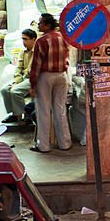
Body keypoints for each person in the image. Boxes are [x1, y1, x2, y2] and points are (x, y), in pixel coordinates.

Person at [28, 13, 71, 153]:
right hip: (62, 75)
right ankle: (65, 143)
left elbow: (36, 65)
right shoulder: (63, 38)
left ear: (47, 25)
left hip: (46, 76)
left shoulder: (42, 41)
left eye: (41, 23)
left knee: (44, 111)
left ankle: (44, 145)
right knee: (60, 109)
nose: (39, 25)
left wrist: (32, 84)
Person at [0, 28, 37, 124]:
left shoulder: (38, 52)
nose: (24, 42)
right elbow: (18, 69)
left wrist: (17, 84)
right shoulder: (23, 53)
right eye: (23, 39)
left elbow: (32, 70)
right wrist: (17, 81)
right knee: (4, 90)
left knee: (15, 91)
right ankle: (15, 114)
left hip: (33, 78)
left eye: (26, 39)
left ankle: (24, 115)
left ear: (33, 39)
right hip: (23, 78)